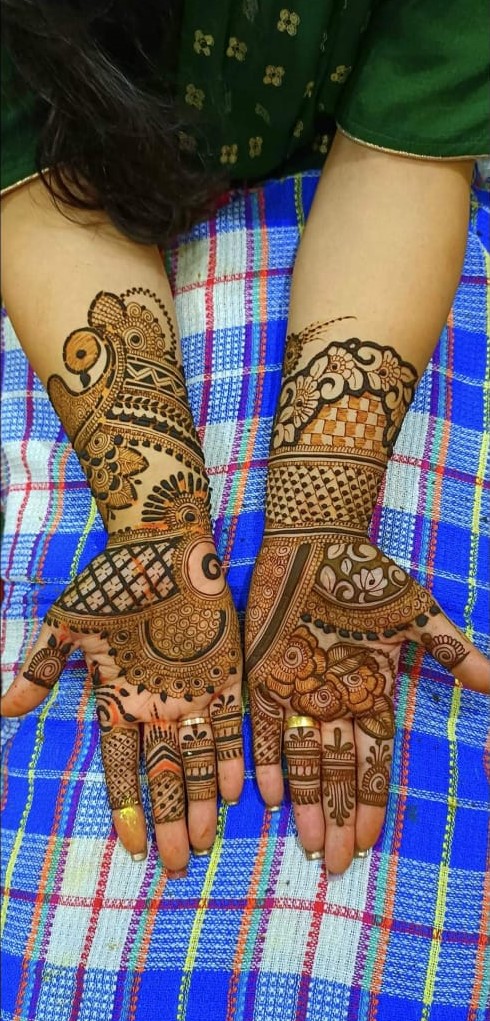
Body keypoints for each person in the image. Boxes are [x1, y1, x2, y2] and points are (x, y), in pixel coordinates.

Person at [1, 0, 489, 883]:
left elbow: (402, 152)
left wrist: (321, 517)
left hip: (339, 172)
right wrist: (155, 525)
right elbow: (35, 166)